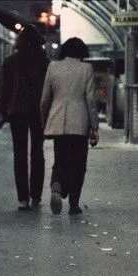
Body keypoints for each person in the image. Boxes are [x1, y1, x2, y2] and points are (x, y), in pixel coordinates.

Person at [40, 37, 99, 215]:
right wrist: (94, 127)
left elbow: (45, 99)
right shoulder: (86, 68)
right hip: (79, 123)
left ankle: (57, 186)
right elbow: (90, 100)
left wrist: (45, 121)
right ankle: (74, 204)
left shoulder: (53, 67)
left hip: (58, 121)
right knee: (78, 164)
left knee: (60, 159)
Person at [0, 24, 49, 211]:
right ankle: (36, 194)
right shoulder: (44, 62)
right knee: (38, 152)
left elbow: (4, 89)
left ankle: (23, 199)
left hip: (17, 111)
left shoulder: (10, 61)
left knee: (19, 154)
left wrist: (4, 111)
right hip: (38, 111)